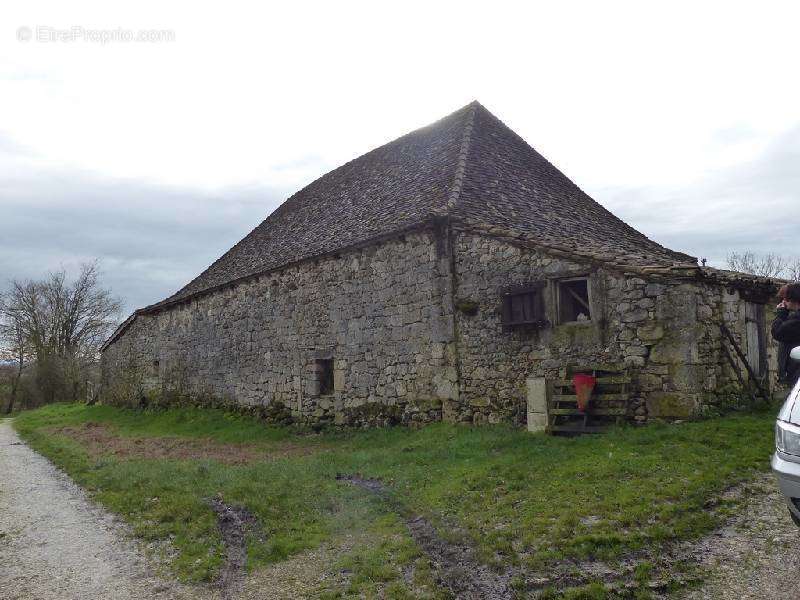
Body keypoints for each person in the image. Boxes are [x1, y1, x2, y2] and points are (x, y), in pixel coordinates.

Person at [772, 283, 800, 386]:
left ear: (794, 299)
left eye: (786, 299)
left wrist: (781, 313)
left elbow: (777, 332)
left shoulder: (797, 320)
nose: (783, 302)